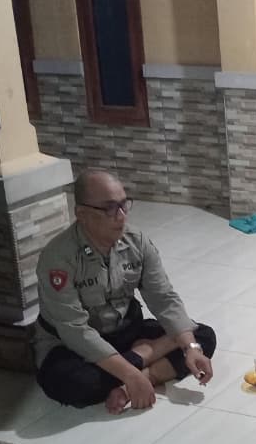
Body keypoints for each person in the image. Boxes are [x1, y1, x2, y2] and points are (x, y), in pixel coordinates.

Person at [33, 170, 216, 414]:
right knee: (75, 384)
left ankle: (143, 378)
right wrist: (130, 371)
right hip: (72, 344)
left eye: (123, 205)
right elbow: (75, 331)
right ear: (82, 214)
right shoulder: (59, 257)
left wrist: (190, 348)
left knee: (202, 337)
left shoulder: (136, 241)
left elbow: (163, 297)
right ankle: (144, 358)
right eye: (109, 208)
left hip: (124, 331)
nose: (121, 216)